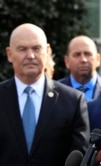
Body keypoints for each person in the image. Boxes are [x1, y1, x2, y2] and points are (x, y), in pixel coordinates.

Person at [0, 23, 90, 165]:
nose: (30, 56)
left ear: (47, 51)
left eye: (36, 48)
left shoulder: (73, 101)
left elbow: (80, 157)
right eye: (22, 49)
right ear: (9, 54)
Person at [58, 35, 101, 102]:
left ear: (98, 59)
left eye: (87, 54)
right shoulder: (56, 92)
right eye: (77, 55)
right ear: (67, 61)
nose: (83, 60)